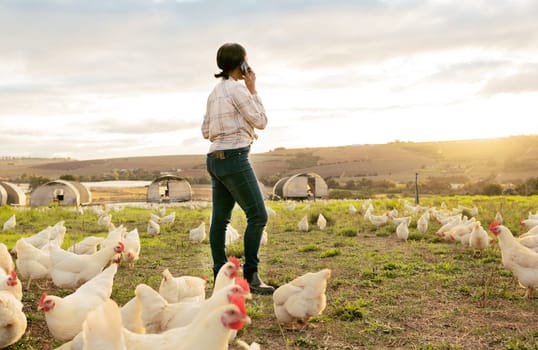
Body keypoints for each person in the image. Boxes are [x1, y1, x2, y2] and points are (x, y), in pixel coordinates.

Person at [202, 42, 274, 294]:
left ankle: (220, 276)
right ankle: (252, 276)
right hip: (235, 158)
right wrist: (253, 90)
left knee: (220, 220)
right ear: (242, 64)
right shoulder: (238, 90)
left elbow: (205, 132)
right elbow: (261, 121)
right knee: (258, 215)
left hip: (214, 159)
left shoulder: (214, 93)